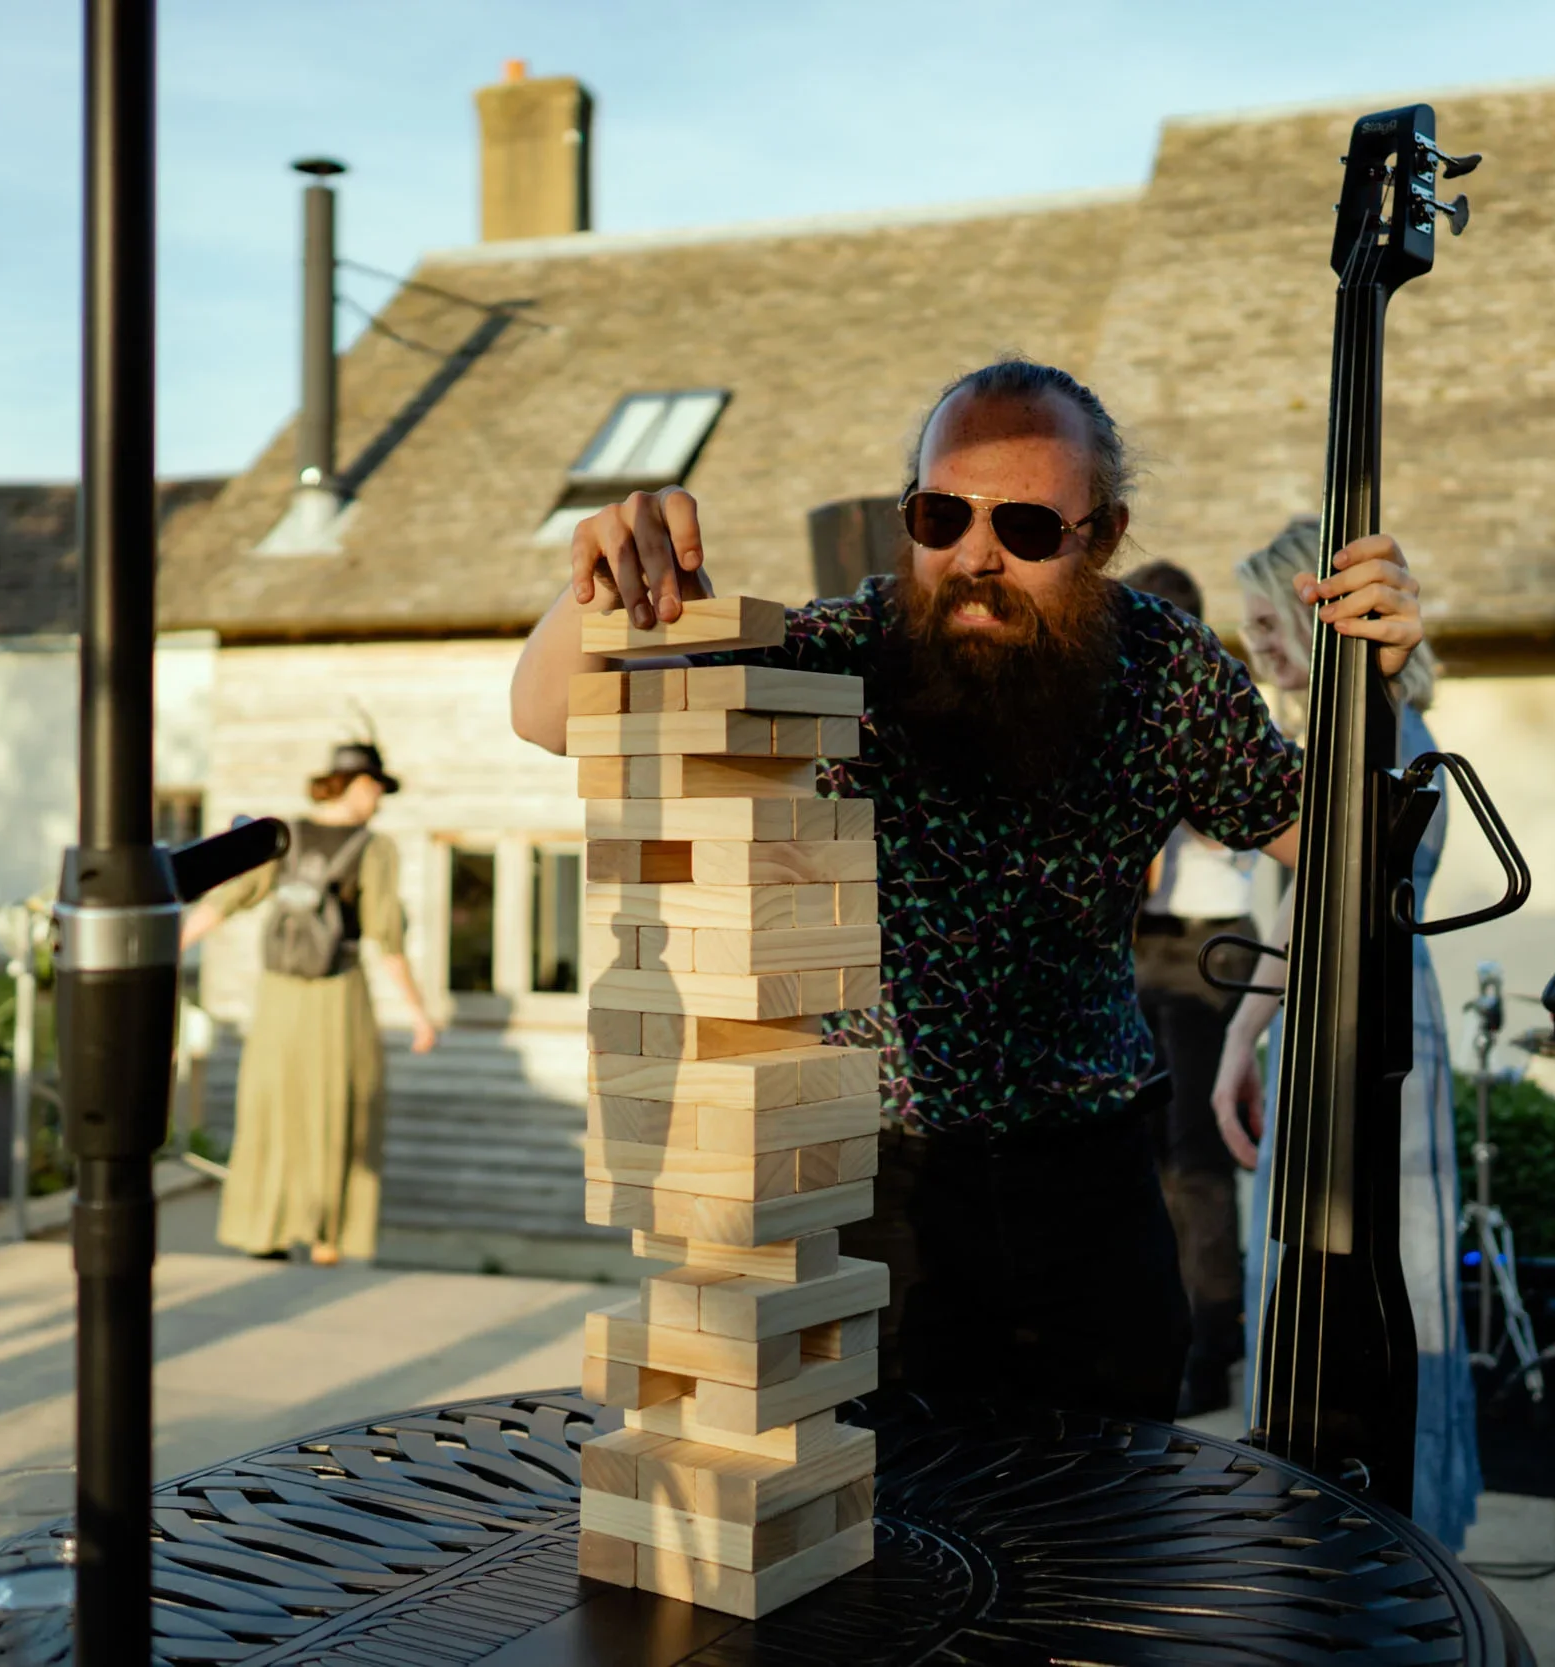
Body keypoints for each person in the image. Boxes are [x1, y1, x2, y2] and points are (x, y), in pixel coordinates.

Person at [508, 357, 1427, 1424]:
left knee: (1102, 1532)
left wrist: (1380, 686)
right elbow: (548, 713)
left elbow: (1340, 849)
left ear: (1105, 535)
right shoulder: (856, 645)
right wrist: (606, 574)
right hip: (876, 1187)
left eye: (1028, 527)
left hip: (1090, 1189)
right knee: (881, 1546)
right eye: (940, 515)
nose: (975, 554)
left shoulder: (1158, 670)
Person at [1209, 516, 1481, 1552]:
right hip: (1341, 1011)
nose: (1259, 650)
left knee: (1374, 1280)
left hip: (1364, 1026)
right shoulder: (1358, 733)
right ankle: (1348, 1516)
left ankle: (1374, 1525)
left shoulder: (1377, 732)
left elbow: (1312, 906)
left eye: (1268, 624)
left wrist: (1241, 1035)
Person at [182, 743, 440, 1265]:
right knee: (340, 1109)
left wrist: (171, 948)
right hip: (337, 994)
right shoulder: (374, 849)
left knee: (271, 1109)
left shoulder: (283, 835)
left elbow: (227, 899)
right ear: (359, 785)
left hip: (279, 995)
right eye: (375, 790)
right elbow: (387, 939)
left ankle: (266, 1230)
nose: (378, 803)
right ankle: (327, 1237)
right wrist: (418, 1012)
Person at [1119, 557, 1260, 1416]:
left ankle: (1210, 1352)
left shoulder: (1215, 703)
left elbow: (1223, 825)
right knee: (1149, 1152)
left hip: (1215, 947)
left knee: (1199, 1161)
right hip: (1144, 941)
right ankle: (1165, 1336)